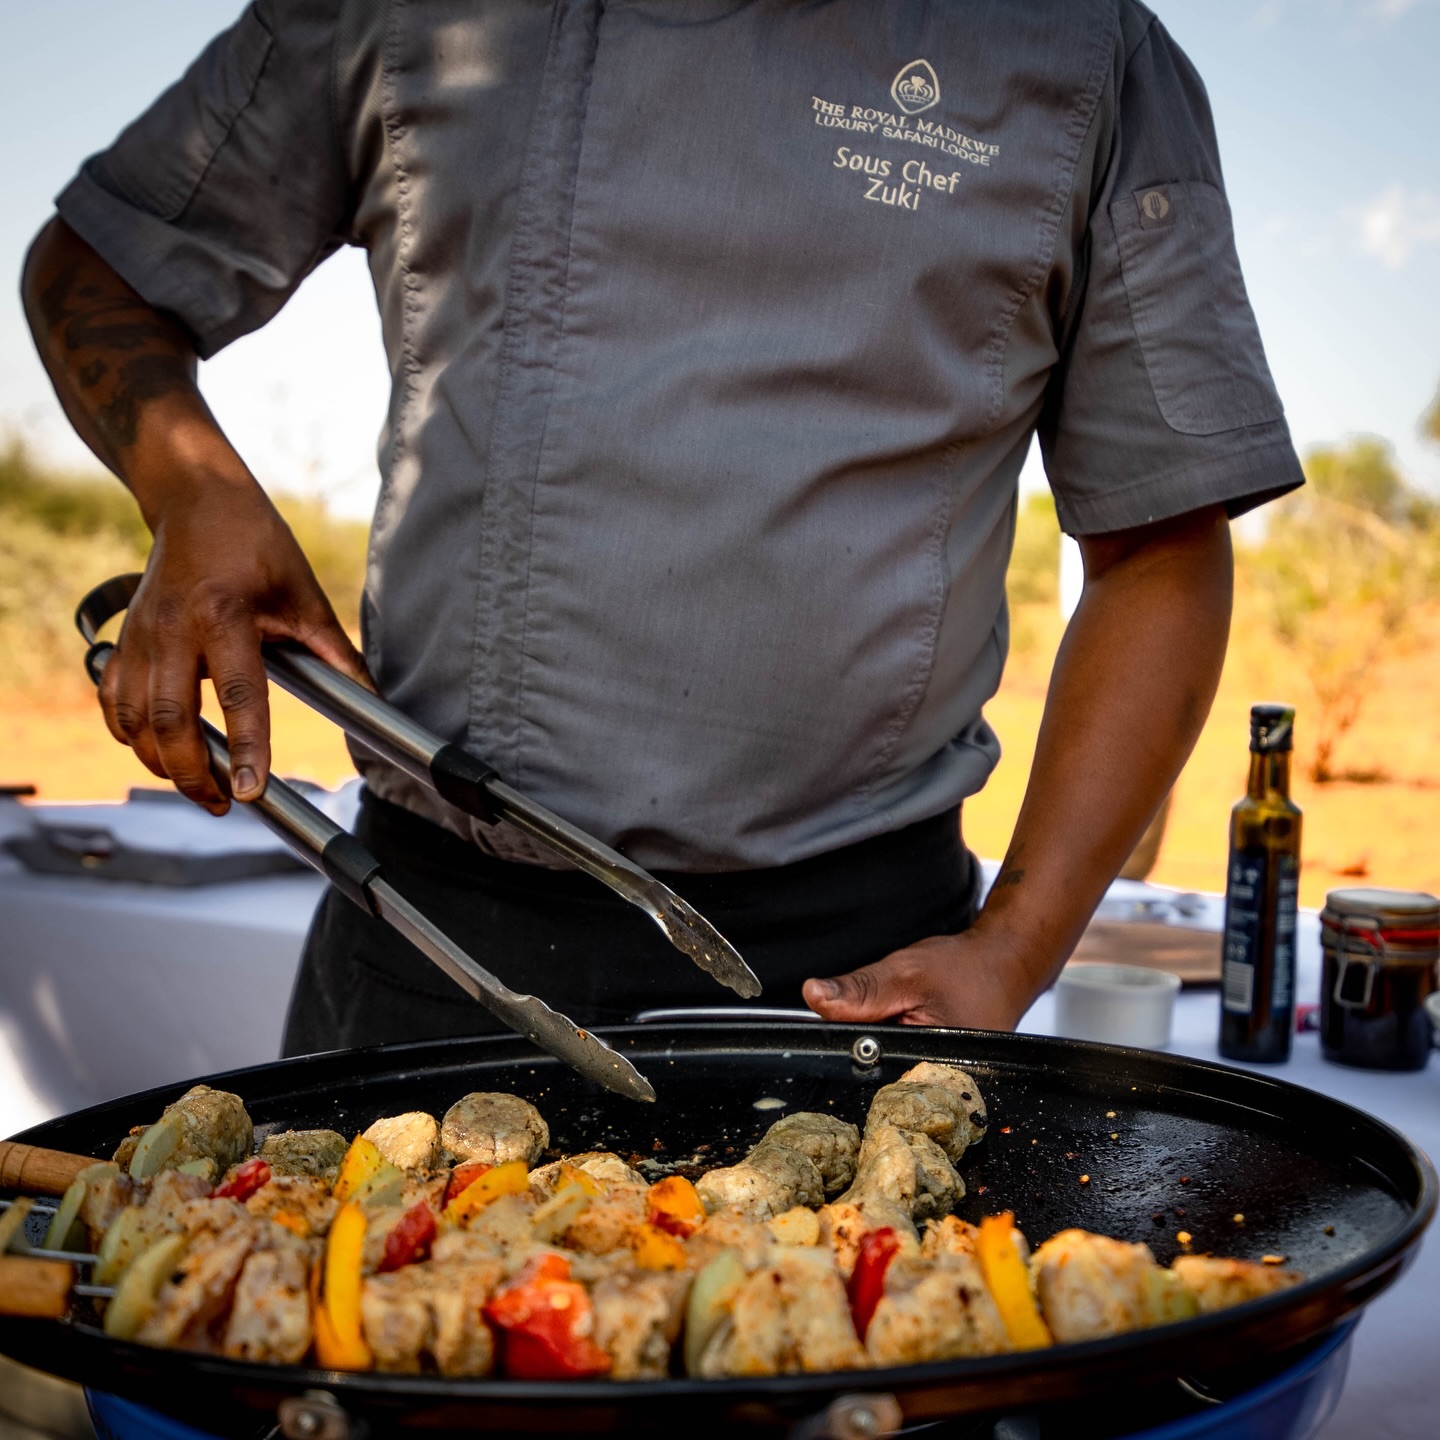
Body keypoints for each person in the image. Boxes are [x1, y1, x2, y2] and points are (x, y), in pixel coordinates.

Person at [23, 0, 1302, 1051]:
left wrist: (1013, 949)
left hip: (857, 980)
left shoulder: (1081, 52)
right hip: (427, 944)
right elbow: (102, 263)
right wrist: (195, 490)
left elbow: (1160, 547)